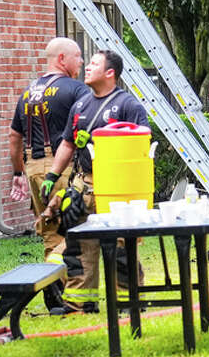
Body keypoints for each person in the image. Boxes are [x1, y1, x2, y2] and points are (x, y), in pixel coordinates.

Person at [42, 50, 149, 314]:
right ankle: (79, 302)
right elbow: (68, 142)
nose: (86, 67)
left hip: (118, 189)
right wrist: (52, 175)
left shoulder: (128, 105)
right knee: (79, 245)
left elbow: (142, 144)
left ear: (110, 73)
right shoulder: (80, 105)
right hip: (84, 188)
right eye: (87, 63)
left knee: (122, 246)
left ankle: (129, 302)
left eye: (94, 64)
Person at [7, 37, 89, 311]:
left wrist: (19, 172)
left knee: (50, 232)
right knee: (75, 229)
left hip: (33, 169)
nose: (81, 62)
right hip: (60, 169)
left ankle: (54, 295)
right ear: (62, 59)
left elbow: (14, 136)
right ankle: (74, 297)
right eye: (77, 56)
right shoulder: (76, 90)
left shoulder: (28, 92)